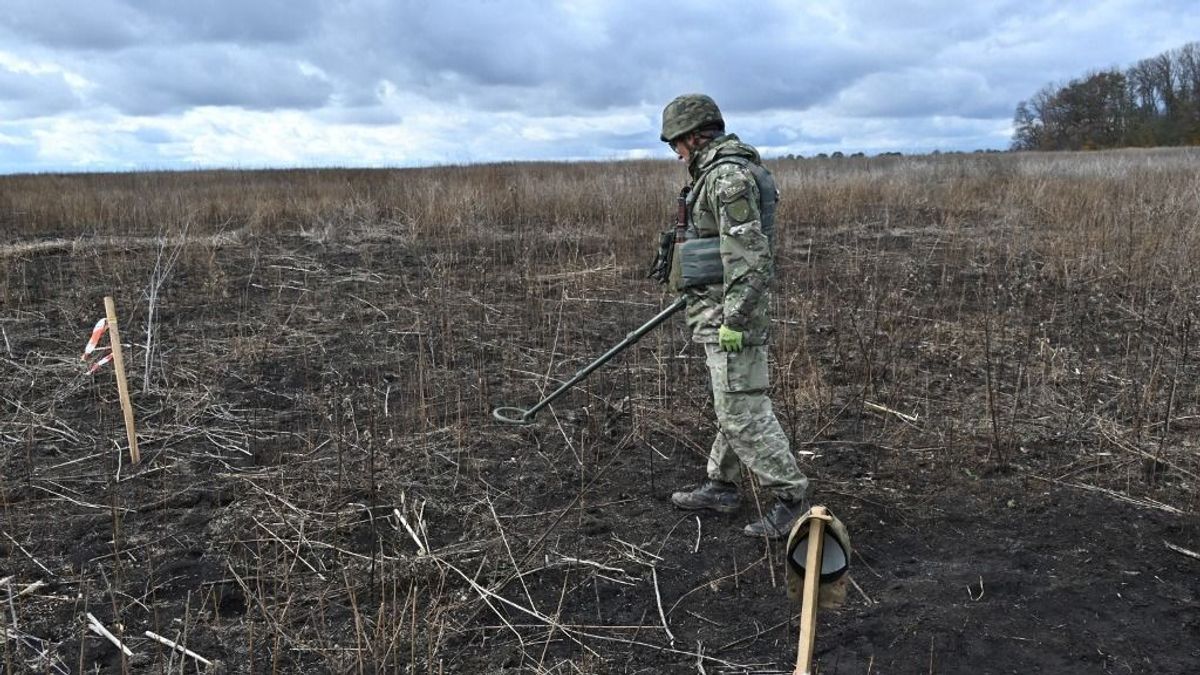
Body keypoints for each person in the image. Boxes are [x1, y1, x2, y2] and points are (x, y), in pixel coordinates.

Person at [659, 93, 809, 538]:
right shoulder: (715, 174)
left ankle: (791, 498)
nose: (677, 153)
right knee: (732, 400)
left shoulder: (727, 179)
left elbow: (749, 258)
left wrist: (734, 321)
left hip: (732, 316)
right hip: (716, 309)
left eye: (676, 144)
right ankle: (721, 485)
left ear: (693, 136)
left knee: (742, 408)